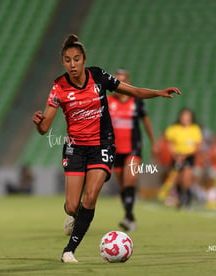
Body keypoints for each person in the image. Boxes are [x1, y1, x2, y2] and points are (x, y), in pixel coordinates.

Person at [32, 34, 180, 263]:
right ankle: (75, 218)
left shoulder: (98, 76)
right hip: (75, 149)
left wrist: (158, 92)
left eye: (77, 59)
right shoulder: (58, 86)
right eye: (68, 60)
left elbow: (134, 91)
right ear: (63, 62)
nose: (72, 64)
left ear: (84, 59)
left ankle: (69, 251)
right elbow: (44, 129)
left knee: (90, 197)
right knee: (72, 206)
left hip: (102, 145)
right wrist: (39, 122)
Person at [107, 69, 155, 231]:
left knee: (130, 180)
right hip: (115, 150)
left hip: (133, 148)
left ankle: (127, 217)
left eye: (122, 81)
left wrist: (153, 141)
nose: (119, 84)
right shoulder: (108, 101)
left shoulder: (136, 101)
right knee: (122, 186)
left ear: (127, 82)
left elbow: (146, 122)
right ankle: (130, 215)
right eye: (117, 81)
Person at [164, 108, 203, 209]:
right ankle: (180, 196)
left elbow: (198, 145)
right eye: (183, 116)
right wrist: (176, 155)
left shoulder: (195, 129)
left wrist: (186, 155)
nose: (185, 119)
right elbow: (170, 143)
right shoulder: (174, 129)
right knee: (178, 179)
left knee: (187, 177)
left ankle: (187, 198)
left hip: (189, 156)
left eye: (187, 117)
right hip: (177, 157)